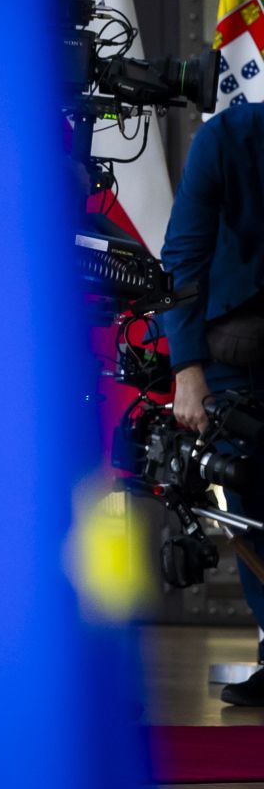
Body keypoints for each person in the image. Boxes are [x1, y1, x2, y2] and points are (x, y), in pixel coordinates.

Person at [160, 101, 264, 706]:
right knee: (251, 503)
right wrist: (187, 370)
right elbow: (183, 258)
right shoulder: (224, 138)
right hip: (236, 355)